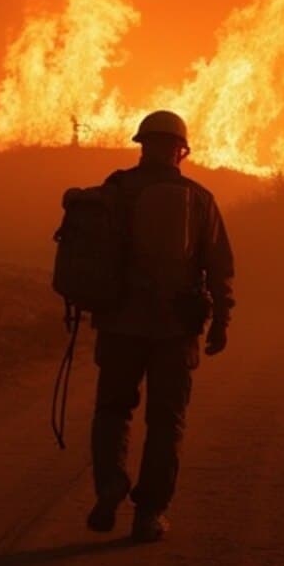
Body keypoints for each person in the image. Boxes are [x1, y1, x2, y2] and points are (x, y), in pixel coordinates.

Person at [86, 109, 234, 543]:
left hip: (118, 324)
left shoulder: (114, 191)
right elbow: (220, 268)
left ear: (142, 145)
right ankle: (150, 511)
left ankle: (111, 483)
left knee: (113, 410)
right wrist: (221, 320)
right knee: (166, 420)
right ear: (180, 150)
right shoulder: (199, 198)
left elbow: (88, 255)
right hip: (175, 329)